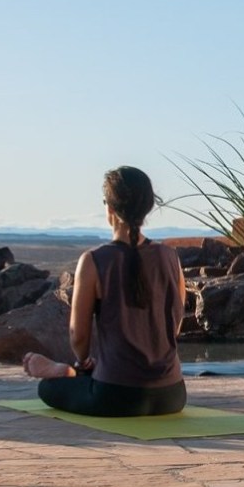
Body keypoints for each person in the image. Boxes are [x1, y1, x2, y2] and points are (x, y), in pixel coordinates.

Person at [22, 166, 187, 417]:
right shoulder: (170, 257)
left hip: (116, 396)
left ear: (109, 208)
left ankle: (66, 372)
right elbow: (174, 327)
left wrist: (84, 362)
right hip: (172, 395)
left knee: (47, 389)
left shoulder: (94, 260)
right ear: (148, 208)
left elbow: (79, 336)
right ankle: (73, 373)